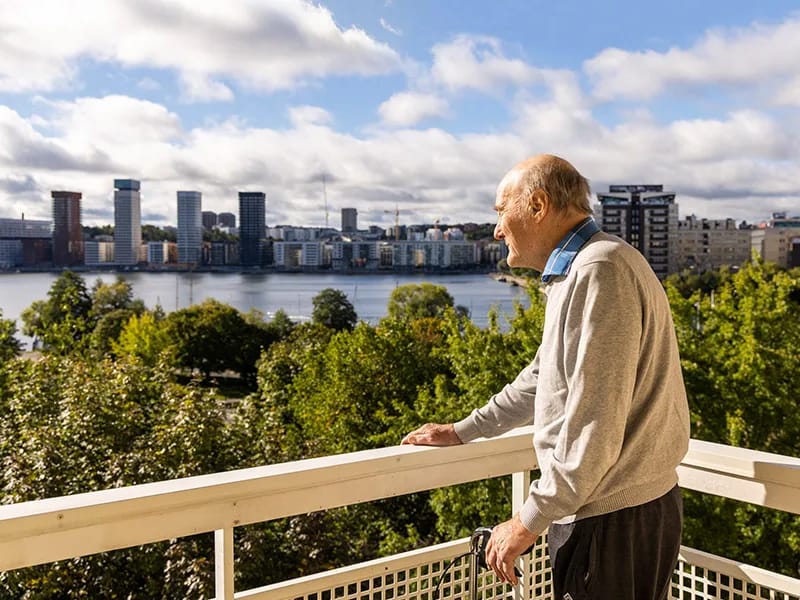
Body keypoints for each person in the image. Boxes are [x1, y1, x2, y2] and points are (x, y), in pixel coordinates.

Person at [401, 154, 690, 600]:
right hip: (620, 511)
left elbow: (595, 421)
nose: (496, 229)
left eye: (501, 210)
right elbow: (542, 378)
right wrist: (462, 431)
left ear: (537, 205)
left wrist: (527, 520)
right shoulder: (580, 271)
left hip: (611, 519)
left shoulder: (599, 270)